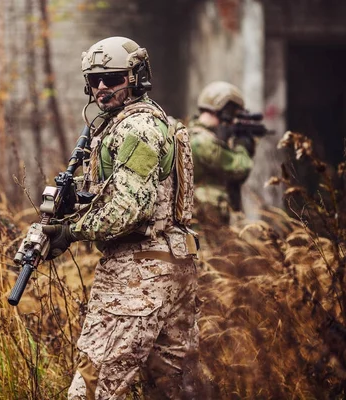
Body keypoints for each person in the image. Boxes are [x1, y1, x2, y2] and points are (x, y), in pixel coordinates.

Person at [41, 36, 199, 399]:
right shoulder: (142, 122)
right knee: (172, 390)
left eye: (112, 78)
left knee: (92, 389)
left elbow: (128, 209)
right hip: (173, 264)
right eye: (94, 80)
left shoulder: (136, 128)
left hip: (137, 273)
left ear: (136, 77)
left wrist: (69, 232)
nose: (101, 88)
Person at [188, 81, 255, 228]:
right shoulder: (204, 142)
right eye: (233, 114)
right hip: (205, 224)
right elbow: (240, 169)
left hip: (202, 220)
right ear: (226, 111)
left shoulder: (191, 134)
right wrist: (242, 146)